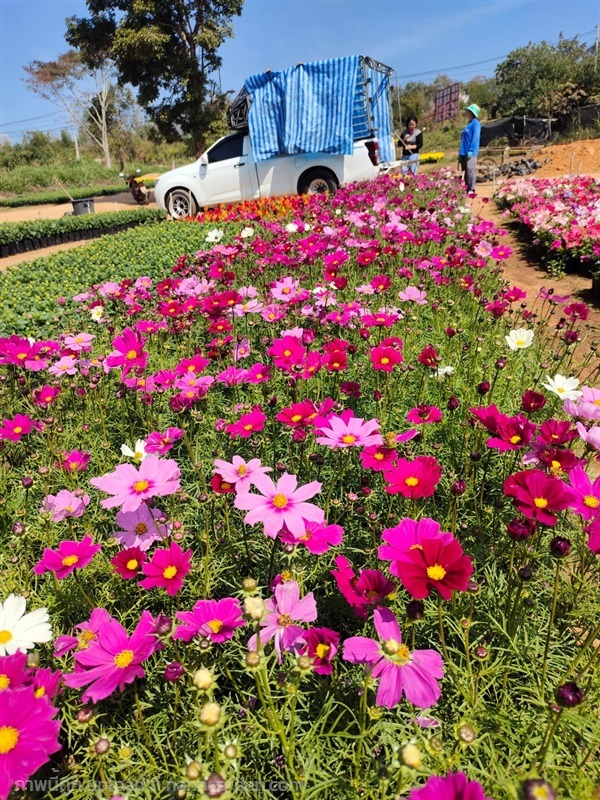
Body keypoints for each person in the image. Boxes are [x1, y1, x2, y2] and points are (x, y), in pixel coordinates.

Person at [458, 103, 481, 195]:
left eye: (468, 111)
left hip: (470, 152)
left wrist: (471, 150)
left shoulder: (476, 123)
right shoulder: (468, 124)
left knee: (470, 170)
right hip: (463, 151)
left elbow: (475, 138)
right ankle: (466, 188)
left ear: (472, 112)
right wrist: (460, 152)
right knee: (465, 171)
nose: (466, 112)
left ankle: (472, 189)